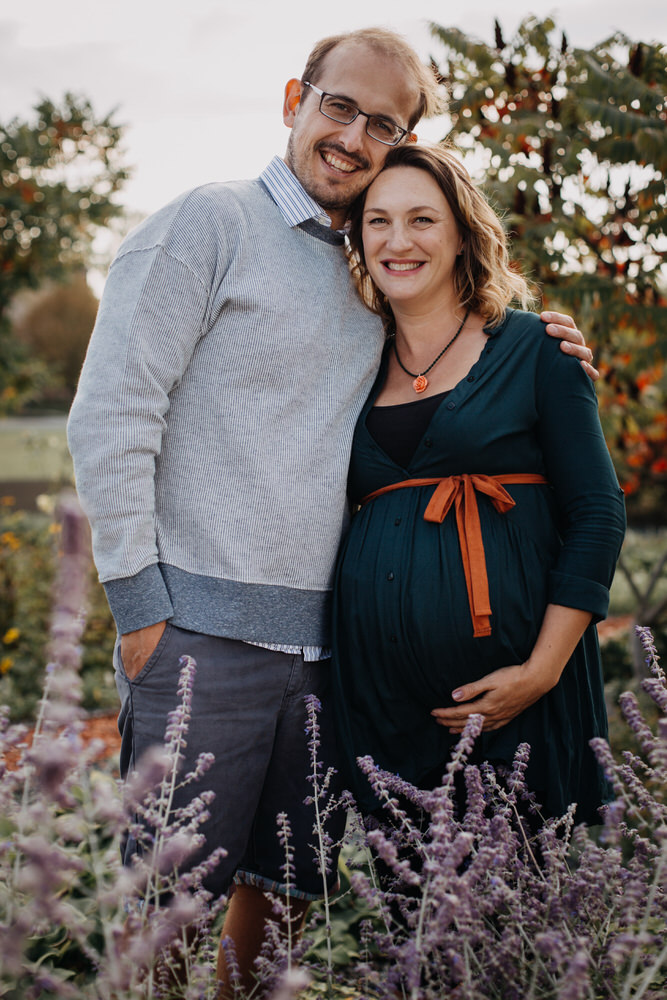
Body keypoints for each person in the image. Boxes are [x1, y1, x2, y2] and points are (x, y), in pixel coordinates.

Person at [67, 28, 596, 994]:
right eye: (339, 106)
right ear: (293, 100)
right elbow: (112, 411)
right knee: (168, 909)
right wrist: (141, 611)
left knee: (284, 906)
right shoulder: (207, 223)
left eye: (383, 124)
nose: (354, 136)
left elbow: (456, 346)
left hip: (330, 659)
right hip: (201, 640)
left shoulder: (371, 271)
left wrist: (543, 336)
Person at [330, 143, 626, 841]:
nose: (397, 242)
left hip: (519, 695)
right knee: (410, 921)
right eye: (377, 221)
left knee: (524, 919)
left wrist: (540, 671)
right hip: (384, 704)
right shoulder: (349, 365)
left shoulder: (533, 350)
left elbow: (596, 513)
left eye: (421, 220)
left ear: (462, 232)